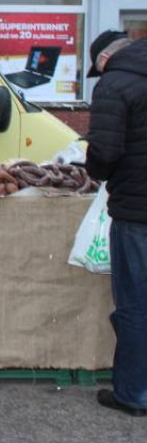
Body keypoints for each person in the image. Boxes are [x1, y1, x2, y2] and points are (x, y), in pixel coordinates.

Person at [85, 29, 147, 417]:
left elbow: (104, 152)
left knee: (135, 306)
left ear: (105, 59)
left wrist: (94, 170)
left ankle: (133, 392)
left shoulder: (114, 84)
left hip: (137, 213)